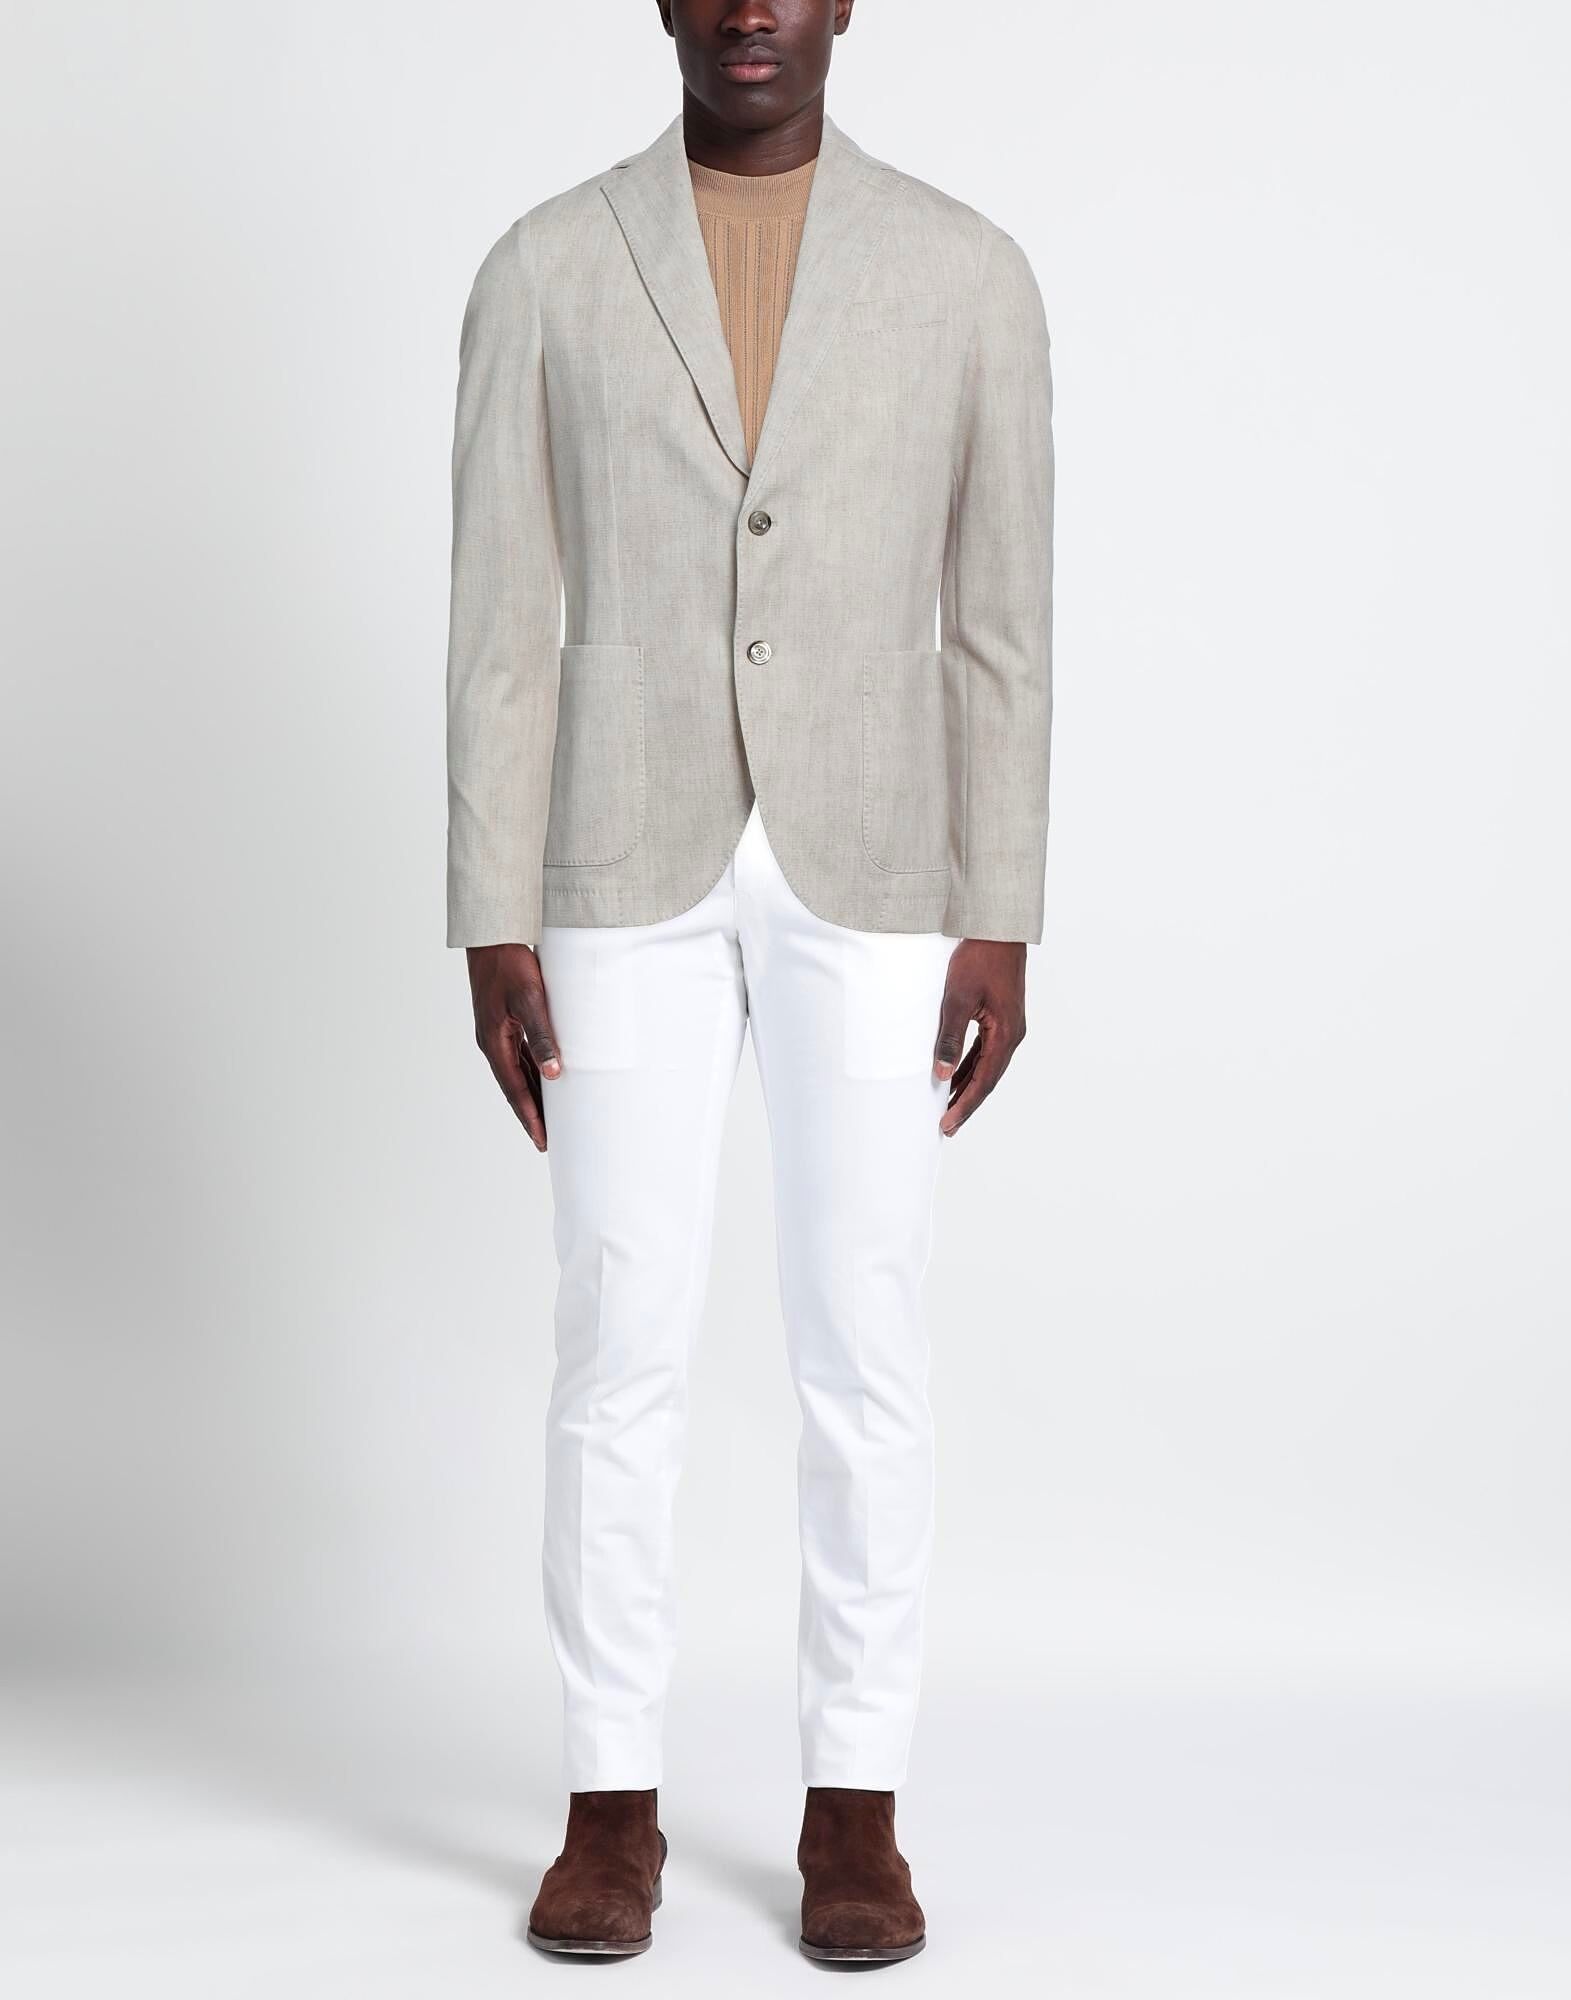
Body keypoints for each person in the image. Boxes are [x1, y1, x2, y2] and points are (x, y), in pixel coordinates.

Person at [445, 0, 1053, 1964]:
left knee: (864, 1336)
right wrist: (491, 906)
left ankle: (854, 1807)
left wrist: (1000, 904)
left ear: (847, 0)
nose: (749, 9)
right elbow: (502, 617)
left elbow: (1002, 620)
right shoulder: (547, 265)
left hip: (875, 858)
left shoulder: (967, 274)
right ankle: (607, 1802)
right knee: (617, 1328)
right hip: (616, 854)